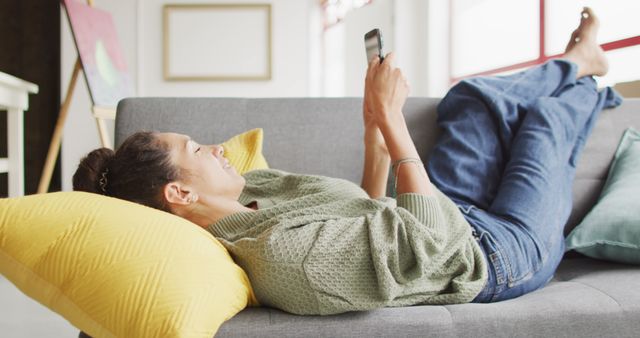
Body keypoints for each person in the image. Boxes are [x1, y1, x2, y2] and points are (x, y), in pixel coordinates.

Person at [73, 8, 621, 313]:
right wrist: (391, 120)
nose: (215, 147)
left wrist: (372, 140)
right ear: (180, 193)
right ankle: (586, 73)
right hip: (489, 253)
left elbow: (370, 214)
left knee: (469, 98)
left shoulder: (253, 188)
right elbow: (430, 245)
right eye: (197, 150)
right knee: (545, 121)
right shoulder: (285, 262)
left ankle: (576, 58)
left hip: (444, 206)